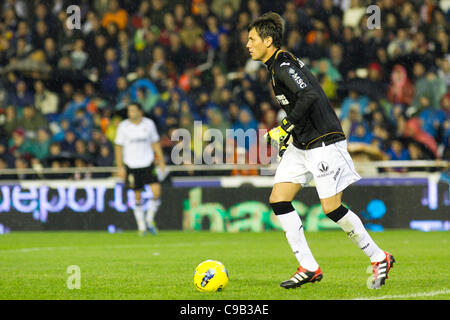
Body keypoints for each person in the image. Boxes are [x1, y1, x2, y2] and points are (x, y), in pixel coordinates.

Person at [246, 12, 395, 290]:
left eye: (252, 39)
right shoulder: (275, 65)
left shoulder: (282, 64)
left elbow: (311, 95)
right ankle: (309, 267)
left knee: (331, 208)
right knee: (279, 199)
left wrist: (285, 124)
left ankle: (379, 257)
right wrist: (289, 132)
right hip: (302, 142)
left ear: (268, 41)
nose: (248, 44)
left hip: (324, 141)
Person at [114, 103, 165, 235]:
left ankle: (149, 219)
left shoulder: (149, 124)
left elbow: (155, 142)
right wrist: (120, 167)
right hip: (131, 164)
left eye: (133, 110)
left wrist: (161, 160)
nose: (130, 113)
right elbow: (118, 147)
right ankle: (141, 225)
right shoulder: (123, 126)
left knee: (156, 191)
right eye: (129, 111)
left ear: (140, 112)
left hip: (148, 162)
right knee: (137, 195)